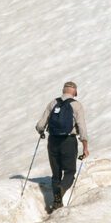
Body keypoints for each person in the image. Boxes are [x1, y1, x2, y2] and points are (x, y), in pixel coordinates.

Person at [35, 81, 90, 212]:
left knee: (56, 174)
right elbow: (81, 126)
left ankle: (56, 203)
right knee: (70, 172)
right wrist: (85, 146)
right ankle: (62, 189)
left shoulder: (53, 103)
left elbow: (40, 125)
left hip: (53, 140)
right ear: (75, 92)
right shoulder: (76, 105)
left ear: (63, 90)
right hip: (68, 141)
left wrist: (41, 132)